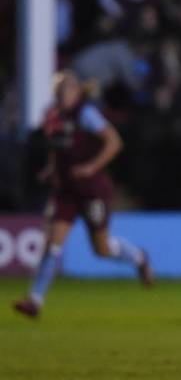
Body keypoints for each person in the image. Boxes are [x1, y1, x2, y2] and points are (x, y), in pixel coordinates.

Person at [13, 71, 153, 319]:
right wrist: (51, 168)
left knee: (101, 249)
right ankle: (35, 301)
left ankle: (139, 257)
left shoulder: (86, 115)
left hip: (92, 191)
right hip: (67, 190)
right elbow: (57, 147)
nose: (63, 94)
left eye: (67, 89)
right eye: (60, 89)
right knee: (52, 244)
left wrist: (91, 167)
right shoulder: (53, 115)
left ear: (77, 93)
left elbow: (114, 142)